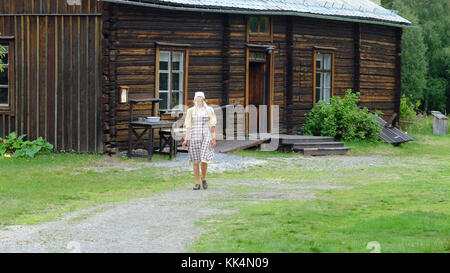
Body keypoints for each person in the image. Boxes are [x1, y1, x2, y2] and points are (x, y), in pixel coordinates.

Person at [182, 92, 217, 190]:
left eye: (201, 99)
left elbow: (212, 125)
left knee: (204, 158)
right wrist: (185, 139)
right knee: (195, 160)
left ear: (204, 99)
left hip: (206, 135)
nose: (199, 101)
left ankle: (204, 178)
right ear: (194, 100)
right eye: (197, 99)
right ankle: (197, 182)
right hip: (194, 136)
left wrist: (213, 138)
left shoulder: (209, 110)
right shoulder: (191, 111)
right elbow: (188, 126)